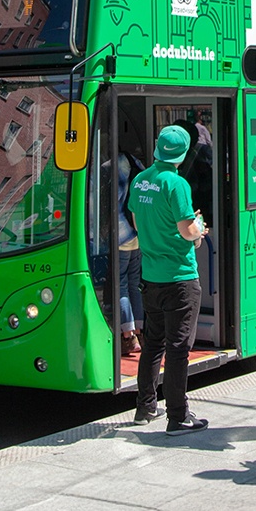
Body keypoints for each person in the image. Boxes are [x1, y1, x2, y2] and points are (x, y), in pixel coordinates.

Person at [128, 124, 209, 436]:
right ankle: (178, 416)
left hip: (150, 277)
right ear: (183, 153)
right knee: (178, 348)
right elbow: (188, 231)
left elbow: (137, 223)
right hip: (180, 278)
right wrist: (199, 229)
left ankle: (145, 406)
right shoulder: (176, 184)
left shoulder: (140, 181)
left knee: (153, 344)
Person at [115, 136, 145, 356]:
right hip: (139, 232)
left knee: (122, 284)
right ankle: (140, 328)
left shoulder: (109, 167)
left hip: (121, 234)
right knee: (134, 283)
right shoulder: (136, 162)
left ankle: (128, 334)